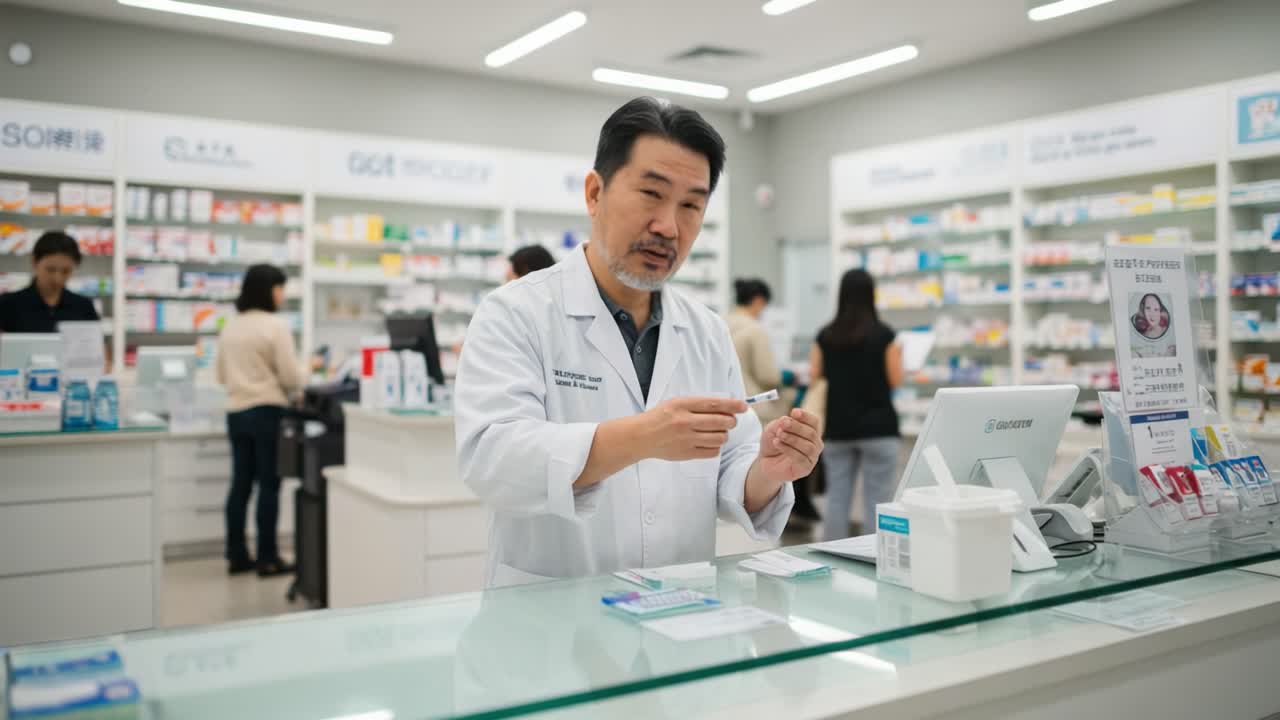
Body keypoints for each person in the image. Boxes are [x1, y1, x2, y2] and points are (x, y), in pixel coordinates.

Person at [455, 97, 823, 587]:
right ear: (594, 193)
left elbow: (734, 463)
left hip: (679, 613)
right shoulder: (515, 312)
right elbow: (492, 458)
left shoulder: (706, 330)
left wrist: (768, 470)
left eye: (691, 205)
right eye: (651, 194)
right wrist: (644, 436)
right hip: (552, 627)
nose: (668, 227)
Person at [215, 264, 303, 577]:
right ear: (268, 290)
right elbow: (291, 376)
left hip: (236, 412)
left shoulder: (231, 325)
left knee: (240, 485)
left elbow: (220, 374)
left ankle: (236, 555)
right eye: (279, 288)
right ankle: (267, 557)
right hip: (267, 411)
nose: (281, 294)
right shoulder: (275, 326)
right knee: (269, 485)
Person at [810, 269, 903, 542]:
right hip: (879, 429)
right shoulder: (884, 335)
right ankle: (876, 557)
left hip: (839, 429)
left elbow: (815, 376)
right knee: (878, 499)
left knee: (837, 498)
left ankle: (834, 556)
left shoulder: (825, 336)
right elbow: (895, 379)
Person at [726, 278, 820, 524]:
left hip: (727, 409)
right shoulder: (754, 330)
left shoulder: (720, 323)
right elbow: (768, 375)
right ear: (758, 301)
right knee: (758, 472)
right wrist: (790, 377)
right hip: (757, 409)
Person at [0, 231, 99, 333]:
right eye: (50, 269)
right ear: (34, 262)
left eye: (66, 271)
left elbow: (96, 347)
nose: (57, 278)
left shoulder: (84, 307)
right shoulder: (7, 305)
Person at [1130, 292, 1176, 358]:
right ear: (1143, 310)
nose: (1152, 314)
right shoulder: (1138, 335)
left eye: (1156, 309)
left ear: (1160, 311)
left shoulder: (1170, 336)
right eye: (1148, 308)